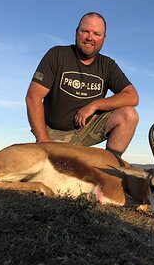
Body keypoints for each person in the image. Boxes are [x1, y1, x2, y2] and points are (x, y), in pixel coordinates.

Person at [26, 12, 139, 158]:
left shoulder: (107, 65)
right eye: (85, 31)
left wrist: (95, 105)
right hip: (55, 133)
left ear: (104, 38)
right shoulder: (57, 54)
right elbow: (33, 97)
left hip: (86, 131)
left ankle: (111, 164)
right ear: (76, 32)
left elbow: (132, 97)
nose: (90, 37)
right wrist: (43, 139)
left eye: (97, 34)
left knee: (129, 115)